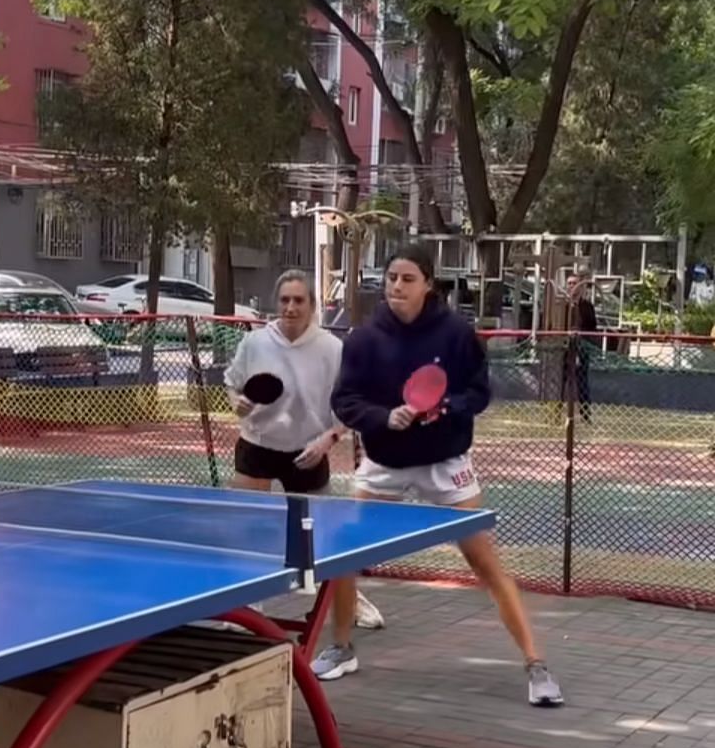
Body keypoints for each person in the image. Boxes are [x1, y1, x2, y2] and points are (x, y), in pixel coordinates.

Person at [331, 243, 563, 708]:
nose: (397, 286)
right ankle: (340, 648)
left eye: (408, 279)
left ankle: (537, 666)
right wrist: (382, 417)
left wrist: (446, 408)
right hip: (384, 463)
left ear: (428, 285)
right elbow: (346, 401)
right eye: (392, 277)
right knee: (343, 556)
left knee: (484, 562)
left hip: (445, 463)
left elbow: (478, 393)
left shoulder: (457, 334)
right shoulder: (363, 339)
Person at [224, 268, 384, 678]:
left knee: (324, 544)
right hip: (258, 444)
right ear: (276, 304)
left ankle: (348, 601)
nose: (291, 307)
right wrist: (238, 403)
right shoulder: (255, 342)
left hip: (310, 450)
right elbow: (233, 387)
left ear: (312, 305)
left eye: (299, 300)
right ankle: (246, 608)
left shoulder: (332, 349)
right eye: (285, 300)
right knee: (246, 529)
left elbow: (347, 410)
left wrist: (327, 441)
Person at [560, 270, 598, 422]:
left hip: (581, 349)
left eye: (574, 283)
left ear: (580, 287)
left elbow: (592, 328)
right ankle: (555, 414)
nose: (571, 286)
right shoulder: (562, 306)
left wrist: (583, 341)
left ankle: (585, 414)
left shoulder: (587, 306)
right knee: (559, 382)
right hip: (563, 349)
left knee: (582, 382)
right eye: (569, 283)